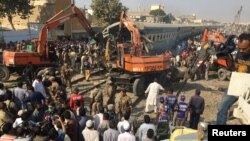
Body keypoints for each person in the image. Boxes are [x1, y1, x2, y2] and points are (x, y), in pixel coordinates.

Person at [216, 33, 250, 125]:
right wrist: (228, 62)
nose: (241, 51)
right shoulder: (239, 52)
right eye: (239, 48)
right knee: (222, 109)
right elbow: (234, 67)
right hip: (236, 84)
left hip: (248, 88)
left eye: (244, 48)